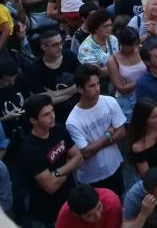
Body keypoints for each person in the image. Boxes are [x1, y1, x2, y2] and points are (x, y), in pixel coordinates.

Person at [20, 94, 85, 227]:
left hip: (71, 196)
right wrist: (69, 164)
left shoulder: (59, 129)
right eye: (46, 114)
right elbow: (50, 187)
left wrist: (56, 173)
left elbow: (79, 158)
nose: (52, 116)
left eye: (52, 111)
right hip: (49, 209)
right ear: (33, 120)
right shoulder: (30, 149)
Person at [66, 66, 127, 194]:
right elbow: (86, 152)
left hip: (114, 167)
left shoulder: (110, 101)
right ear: (80, 89)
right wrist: (109, 132)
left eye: (98, 84)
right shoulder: (73, 121)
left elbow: (122, 132)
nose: (97, 89)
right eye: (92, 86)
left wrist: (94, 146)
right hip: (91, 177)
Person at [56, 184, 122, 228]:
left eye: (99, 207)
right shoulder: (64, 217)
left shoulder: (111, 201)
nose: (98, 216)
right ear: (76, 214)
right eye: (90, 215)